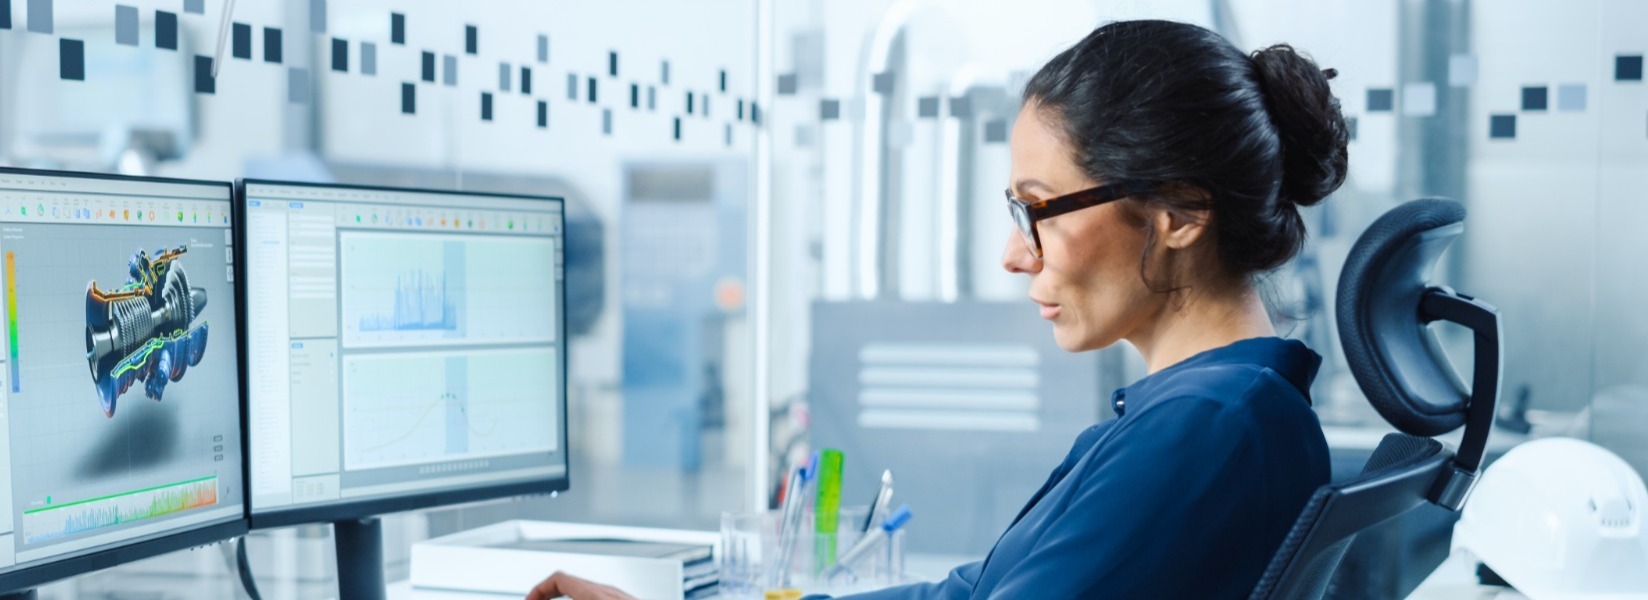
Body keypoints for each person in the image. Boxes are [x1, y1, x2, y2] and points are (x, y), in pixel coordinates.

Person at [528, 17, 1351, 600]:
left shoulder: (1205, 430)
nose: (1015, 252)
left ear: (1178, 212)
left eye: (1041, 208)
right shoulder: (1222, 410)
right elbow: (973, 590)